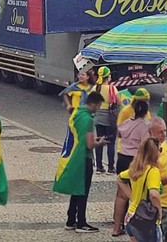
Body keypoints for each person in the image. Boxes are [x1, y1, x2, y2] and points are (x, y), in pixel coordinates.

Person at [62, 91, 108, 233]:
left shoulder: (77, 113)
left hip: (74, 156)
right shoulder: (88, 119)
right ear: (93, 103)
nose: (99, 108)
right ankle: (81, 223)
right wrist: (100, 143)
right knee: (83, 191)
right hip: (84, 158)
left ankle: (71, 220)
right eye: (99, 105)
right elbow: (89, 144)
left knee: (76, 189)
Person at [111, 97, 150, 237]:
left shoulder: (127, 122)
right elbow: (145, 146)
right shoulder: (144, 127)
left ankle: (116, 227)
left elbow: (119, 133)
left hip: (121, 158)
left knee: (121, 195)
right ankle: (134, 226)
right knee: (136, 194)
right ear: (146, 112)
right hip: (134, 161)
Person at [116, 138, 162, 242]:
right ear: (155, 153)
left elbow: (120, 179)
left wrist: (132, 196)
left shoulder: (136, 169)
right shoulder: (153, 171)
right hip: (146, 221)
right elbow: (154, 194)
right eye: (160, 150)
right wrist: (159, 209)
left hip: (131, 217)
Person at [92, 67, 118, 174]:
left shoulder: (95, 88)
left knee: (99, 141)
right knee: (110, 143)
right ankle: (111, 167)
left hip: (98, 118)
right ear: (108, 76)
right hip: (110, 118)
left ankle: (99, 166)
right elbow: (119, 102)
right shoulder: (111, 88)